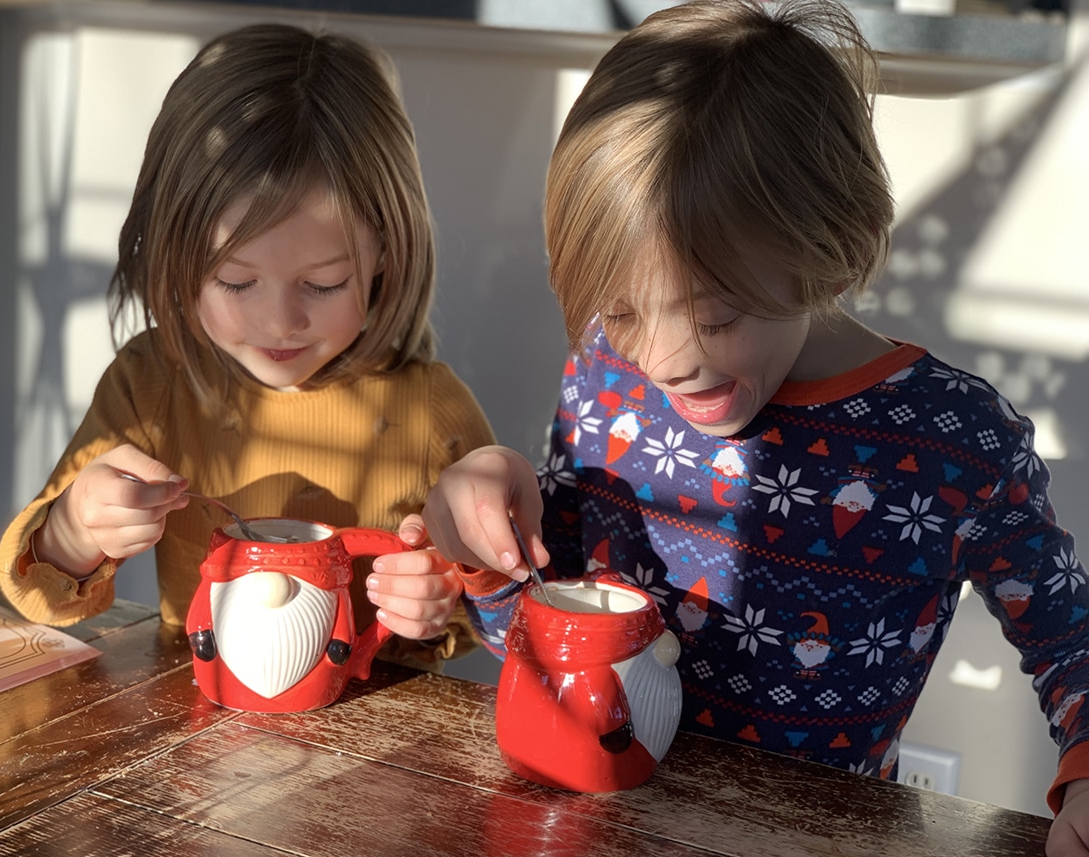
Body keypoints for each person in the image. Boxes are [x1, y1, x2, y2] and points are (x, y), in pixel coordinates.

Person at [380, 0, 1089, 850]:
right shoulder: (606, 374)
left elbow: (1070, 640)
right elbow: (546, 647)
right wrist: (483, 551)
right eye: (623, 310)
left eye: (717, 317)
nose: (668, 359)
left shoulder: (953, 440)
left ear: (830, 240)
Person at [0, 24, 495, 669]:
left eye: (323, 283)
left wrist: (439, 605)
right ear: (176, 257)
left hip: (379, 743)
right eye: (236, 280)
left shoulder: (434, 412)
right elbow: (44, 595)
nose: (280, 321)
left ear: (385, 255)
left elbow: (501, 602)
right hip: (198, 729)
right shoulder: (150, 386)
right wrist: (72, 531)